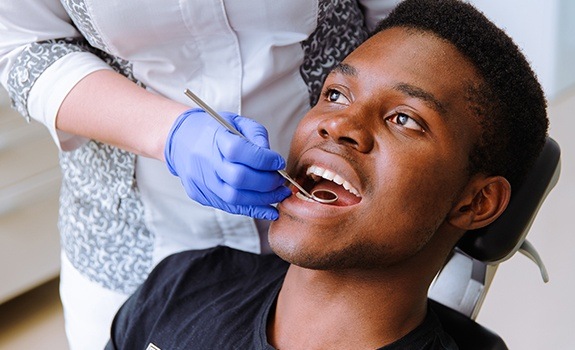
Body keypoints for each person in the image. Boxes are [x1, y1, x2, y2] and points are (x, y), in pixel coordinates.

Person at [105, 0, 549, 348]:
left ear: (477, 202)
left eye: (404, 119)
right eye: (335, 93)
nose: (337, 124)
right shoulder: (184, 284)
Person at [0, 1, 401, 349]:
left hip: (348, 258)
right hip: (138, 240)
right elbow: (23, 45)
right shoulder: (150, 303)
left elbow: (410, 27)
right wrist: (171, 134)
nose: (336, 127)